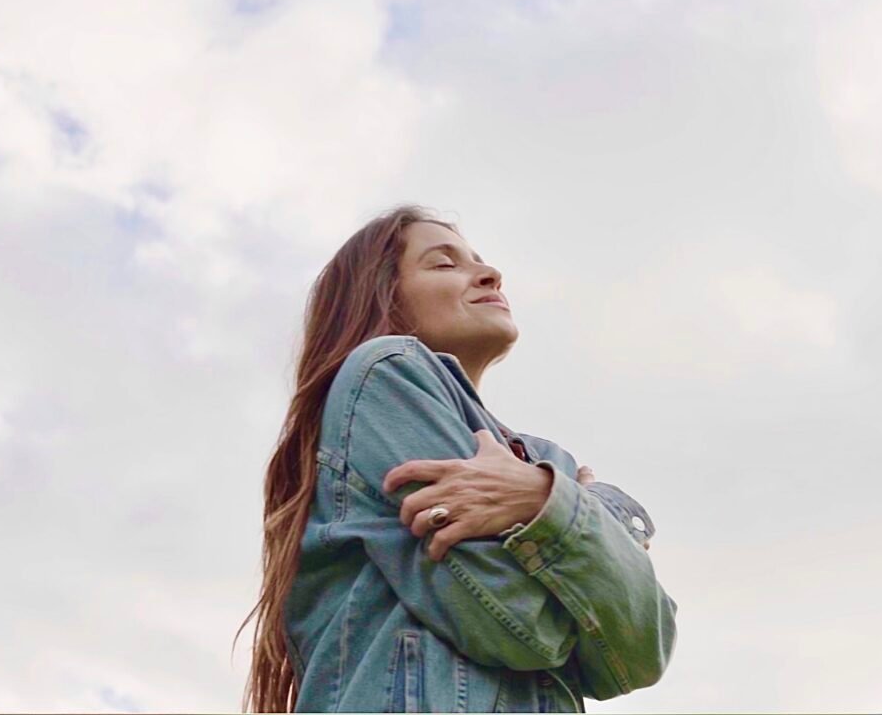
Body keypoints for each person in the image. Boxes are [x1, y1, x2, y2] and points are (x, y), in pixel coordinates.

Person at [234, 204, 678, 713]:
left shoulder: (543, 460)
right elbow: (522, 624)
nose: (490, 274)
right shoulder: (384, 371)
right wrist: (594, 514)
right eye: (445, 263)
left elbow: (643, 653)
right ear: (384, 296)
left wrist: (541, 498)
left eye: (479, 260)